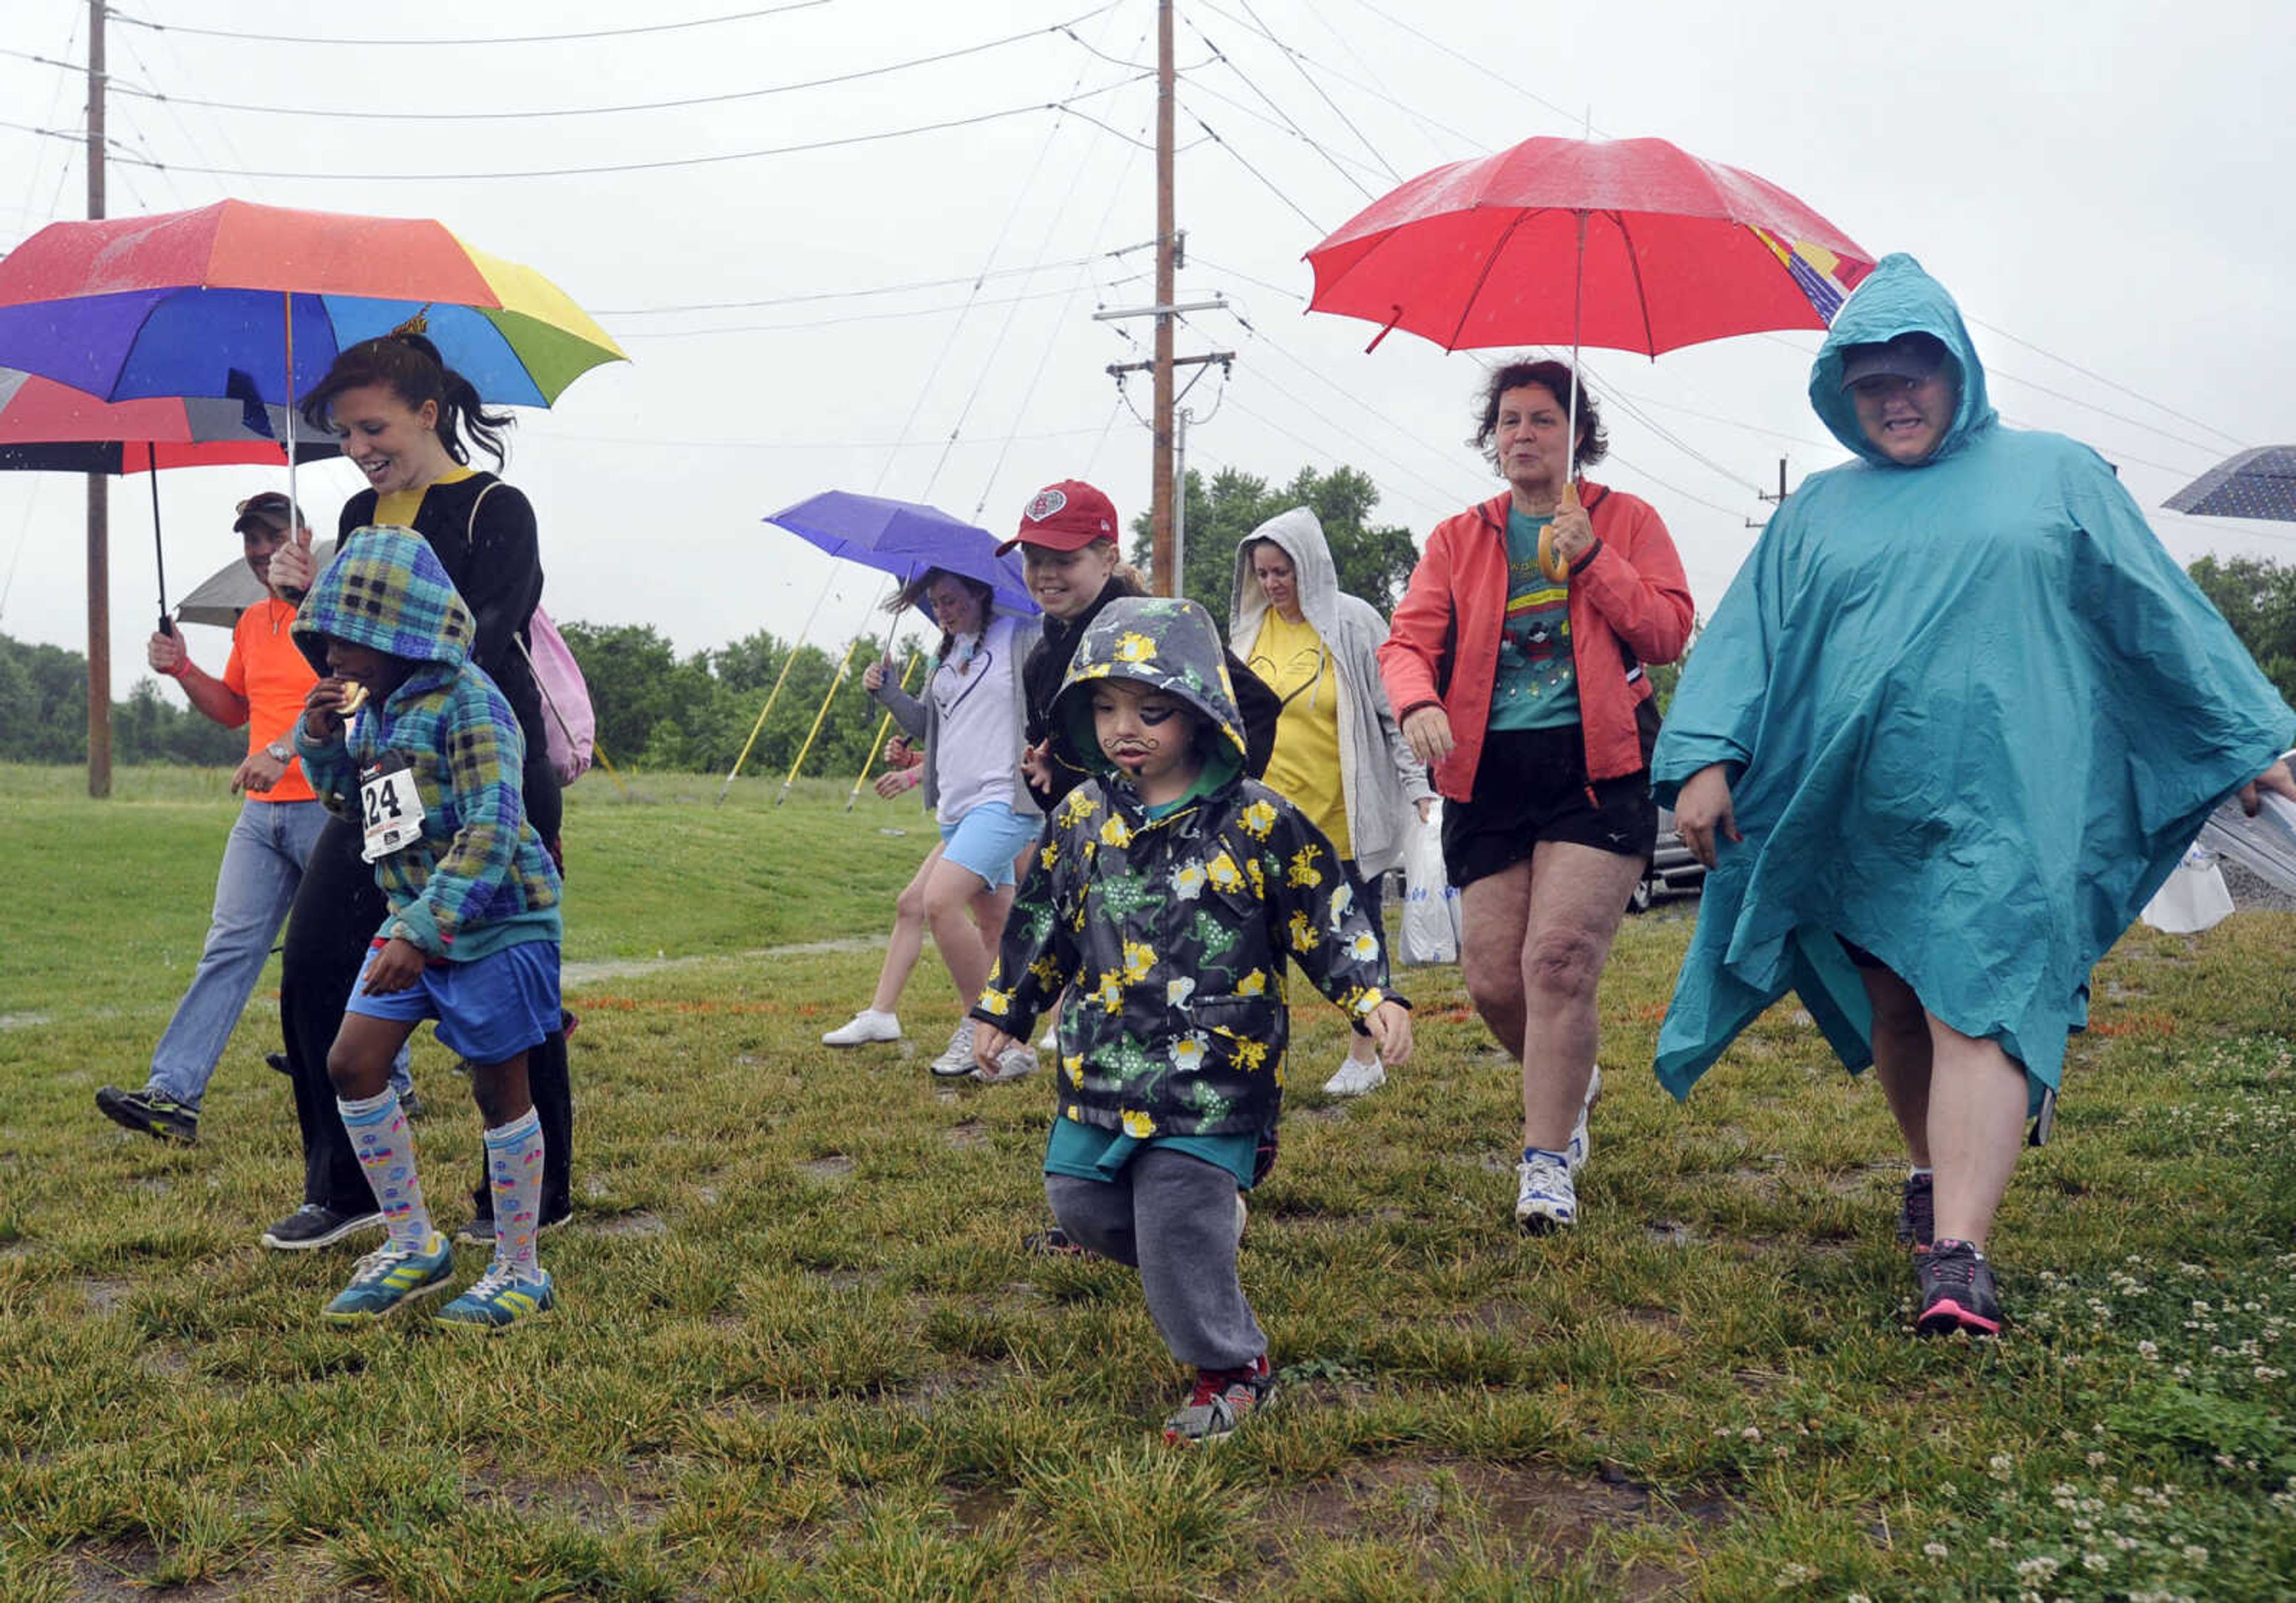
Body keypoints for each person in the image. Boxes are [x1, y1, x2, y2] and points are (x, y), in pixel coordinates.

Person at [1653, 253, 2296, 1338]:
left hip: (2010, 797)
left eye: (1915, 371)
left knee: (1978, 999)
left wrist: (2243, 737)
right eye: (1870, 382)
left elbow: (2154, 605)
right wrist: (1706, 753)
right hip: (1860, 801)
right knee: (1899, 1002)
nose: (1895, 396)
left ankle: (1961, 1256)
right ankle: (1929, 1171)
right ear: (1841, 395)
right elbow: (1747, 635)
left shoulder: (2057, 474)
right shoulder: (1819, 509)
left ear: (1958, 371)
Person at [969, 596, 1412, 1444]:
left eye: (1150, 708)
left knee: (1172, 1217)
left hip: (1216, 1073)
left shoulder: (1257, 818)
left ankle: (1234, 1367)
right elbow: (1043, 925)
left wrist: (1369, 994)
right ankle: (1210, 1233)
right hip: (1105, 1069)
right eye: (1102, 707)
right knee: (1082, 1207)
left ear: (1201, 705)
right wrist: (1006, 1008)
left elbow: (1326, 912)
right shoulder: (1080, 818)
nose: (1123, 728)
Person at [258, 325, 573, 1252]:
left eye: (371, 428)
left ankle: (532, 1191)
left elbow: (473, 637)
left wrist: (365, 619)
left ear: (428, 413)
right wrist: (299, 600)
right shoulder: (358, 522)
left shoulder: (494, 509)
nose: (357, 451)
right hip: (382, 772)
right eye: (343, 436)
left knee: (511, 985)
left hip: (484, 767)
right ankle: (345, 1186)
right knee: (317, 960)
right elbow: (348, 659)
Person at [1378, 361, 1693, 1232]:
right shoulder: (1457, 538)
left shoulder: (1625, 520)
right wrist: (1418, 701)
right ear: (1494, 438)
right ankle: (1572, 1074)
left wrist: (1590, 554)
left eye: (1545, 420)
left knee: (1556, 961)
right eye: (1511, 421)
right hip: (1488, 775)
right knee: (1491, 977)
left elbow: (1666, 630)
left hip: (1598, 768)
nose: (1525, 434)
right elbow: (1407, 643)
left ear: (1577, 433)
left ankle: (1546, 1162)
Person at [291, 527, 565, 1329]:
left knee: (497, 1086)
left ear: (401, 630)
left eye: (351, 640)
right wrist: (321, 744)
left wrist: (422, 932)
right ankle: (414, 1243)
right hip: (414, 916)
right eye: (327, 638)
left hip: (495, 920)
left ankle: (521, 1269)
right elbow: (358, 810)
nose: (334, 655)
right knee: (351, 1062)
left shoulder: (471, 700)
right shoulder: (374, 710)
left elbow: (492, 824)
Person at [96, 493, 411, 1144]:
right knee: (229, 948)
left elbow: (356, 698)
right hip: (259, 816)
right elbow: (234, 708)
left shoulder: (334, 615)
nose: (262, 549)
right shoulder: (249, 622)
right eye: (252, 538)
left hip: (330, 807)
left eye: (273, 534)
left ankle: (392, 1076)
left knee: (350, 947)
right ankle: (173, 1094)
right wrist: (182, 666)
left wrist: (283, 749)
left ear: (305, 535)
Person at [1230, 507, 1433, 1097]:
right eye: (1263, 573)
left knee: (1354, 936)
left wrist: (1418, 788)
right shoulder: (1248, 631)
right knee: (1256, 945)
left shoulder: (1353, 622)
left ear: (1310, 567)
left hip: (1340, 820)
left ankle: (1364, 1054)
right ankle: (1259, 1053)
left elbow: (1390, 712)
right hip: (1264, 823)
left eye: (1282, 572)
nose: (1272, 585)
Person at [822, 568, 1046, 1080]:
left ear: (980, 591)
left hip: (1004, 800)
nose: (942, 611)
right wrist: (889, 694)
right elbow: (929, 725)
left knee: (936, 902)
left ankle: (979, 1024)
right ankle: (1019, 1049)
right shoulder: (947, 654)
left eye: (950, 600)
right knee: (996, 925)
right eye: (935, 603)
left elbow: (1044, 703)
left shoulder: (1018, 634)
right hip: (957, 808)